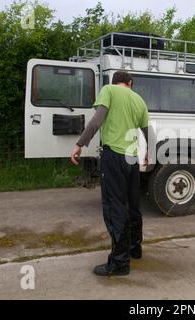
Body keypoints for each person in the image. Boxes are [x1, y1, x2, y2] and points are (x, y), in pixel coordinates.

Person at [70, 71, 155, 277]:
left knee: (115, 207)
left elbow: (96, 121)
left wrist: (79, 144)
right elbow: (148, 132)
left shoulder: (109, 90)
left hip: (114, 157)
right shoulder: (139, 99)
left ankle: (119, 263)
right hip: (132, 159)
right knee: (133, 205)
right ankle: (134, 249)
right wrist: (150, 154)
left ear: (115, 82)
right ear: (130, 83)